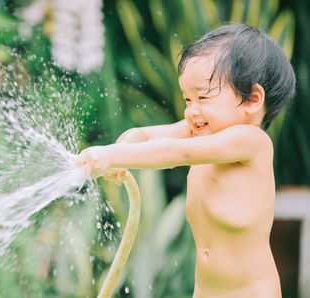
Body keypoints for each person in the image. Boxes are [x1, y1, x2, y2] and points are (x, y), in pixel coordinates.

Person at [77, 24, 295, 297]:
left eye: (202, 97)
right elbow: (147, 136)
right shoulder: (198, 129)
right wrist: (122, 148)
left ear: (252, 98)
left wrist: (111, 156)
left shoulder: (251, 143)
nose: (192, 111)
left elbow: (176, 152)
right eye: (187, 99)